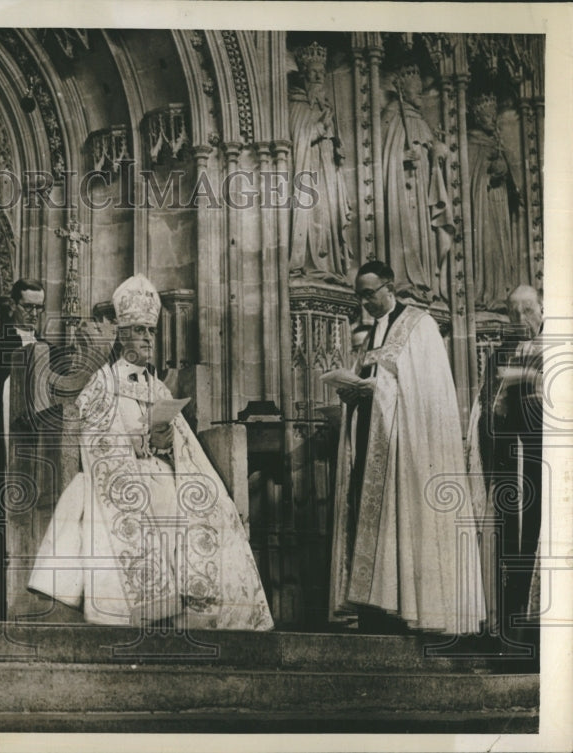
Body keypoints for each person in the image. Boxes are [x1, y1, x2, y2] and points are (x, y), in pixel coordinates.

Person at [28, 275, 274, 630]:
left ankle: (198, 604)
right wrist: (137, 445)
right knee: (145, 497)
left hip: (163, 473)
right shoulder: (103, 383)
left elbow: (182, 448)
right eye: (139, 330)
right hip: (122, 477)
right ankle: (155, 607)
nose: (146, 338)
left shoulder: (158, 386)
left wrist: (163, 441)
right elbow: (96, 443)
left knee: (210, 503)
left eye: (150, 331)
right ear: (123, 334)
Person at [330, 261, 485, 634]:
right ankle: (374, 607)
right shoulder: (371, 335)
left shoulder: (419, 325)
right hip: (370, 438)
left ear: (389, 287)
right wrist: (353, 390)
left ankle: (404, 607)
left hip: (405, 448)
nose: (364, 303)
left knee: (402, 522)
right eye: (360, 296)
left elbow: (428, 393)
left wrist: (377, 389)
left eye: (369, 294)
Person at [0, 279, 113, 620]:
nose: (34, 314)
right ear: (11, 305)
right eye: (28, 306)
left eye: (40, 308)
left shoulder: (51, 350)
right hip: (6, 445)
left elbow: (59, 397)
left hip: (43, 451)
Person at [490, 285, 543, 625]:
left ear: (542, 308)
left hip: (550, 460)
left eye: (527, 309)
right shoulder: (504, 351)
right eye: (513, 312)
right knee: (517, 538)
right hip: (516, 459)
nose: (521, 318)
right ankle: (514, 622)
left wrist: (526, 376)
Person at [380, 63, 454, 302]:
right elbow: (379, 159)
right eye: (416, 92)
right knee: (408, 233)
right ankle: (405, 281)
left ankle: (424, 283)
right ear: (403, 91)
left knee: (424, 235)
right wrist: (400, 157)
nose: (420, 95)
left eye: (422, 91)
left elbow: (434, 157)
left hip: (422, 193)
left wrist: (436, 155)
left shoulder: (421, 122)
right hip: (404, 192)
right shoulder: (393, 114)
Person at [288, 41, 352, 280]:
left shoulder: (325, 107)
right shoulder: (296, 103)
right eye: (313, 72)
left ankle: (329, 267)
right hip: (306, 170)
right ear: (303, 74)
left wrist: (336, 144)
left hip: (326, 172)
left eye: (321, 73)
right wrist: (319, 128)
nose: (318, 77)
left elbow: (336, 144)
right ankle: (309, 264)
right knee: (312, 216)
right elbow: (298, 138)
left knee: (327, 217)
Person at [468, 94, 523, 312]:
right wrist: (489, 177)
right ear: (478, 118)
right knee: (488, 246)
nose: (492, 120)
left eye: (494, 115)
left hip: (499, 203)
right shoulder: (472, 142)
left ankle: (503, 292)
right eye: (487, 116)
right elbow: (471, 178)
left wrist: (506, 173)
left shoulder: (496, 142)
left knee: (502, 248)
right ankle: (487, 293)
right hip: (483, 205)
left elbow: (515, 182)